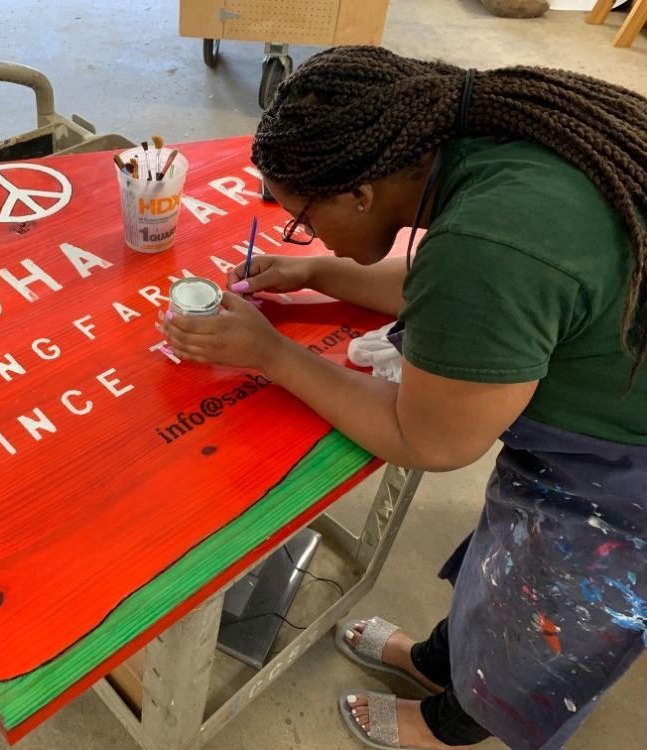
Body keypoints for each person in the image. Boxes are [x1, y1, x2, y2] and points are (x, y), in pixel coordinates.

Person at [160, 46, 646, 750]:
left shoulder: (489, 242)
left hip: (624, 483)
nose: (306, 232)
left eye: (303, 219)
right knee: (507, 578)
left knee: (546, 619)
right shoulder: (483, 138)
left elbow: (431, 441)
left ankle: (453, 727)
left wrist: (271, 354)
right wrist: (317, 271)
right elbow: (462, 289)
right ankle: (438, 665)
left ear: (361, 192)